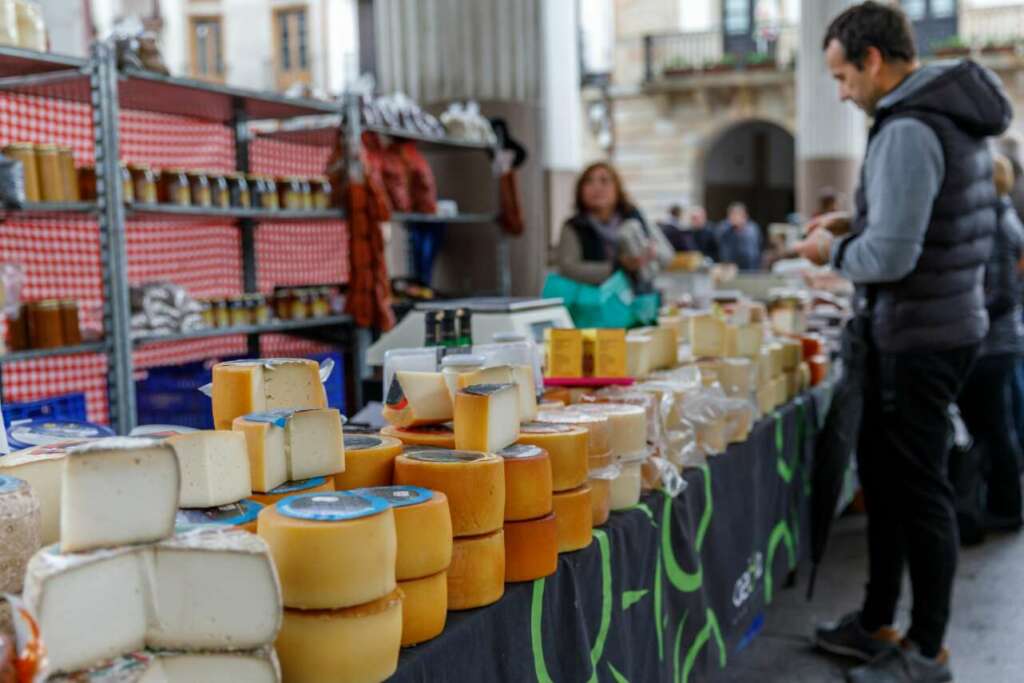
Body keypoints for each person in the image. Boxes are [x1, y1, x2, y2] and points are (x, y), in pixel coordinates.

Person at [794, 3, 1012, 682]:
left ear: (874, 61)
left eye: (842, 75)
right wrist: (859, 219)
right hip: (938, 327)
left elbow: (891, 256)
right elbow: (924, 218)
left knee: (917, 492)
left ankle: (926, 649)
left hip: (920, 337)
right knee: (887, 484)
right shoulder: (945, 116)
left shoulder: (910, 126)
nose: (841, 92)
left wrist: (832, 246)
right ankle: (878, 620)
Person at [955, 154, 1024, 535]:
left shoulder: (997, 225)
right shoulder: (1000, 218)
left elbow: (1002, 295)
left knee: (993, 429)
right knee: (995, 428)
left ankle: (1004, 506)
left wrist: (964, 310)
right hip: (996, 342)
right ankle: (999, 503)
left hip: (992, 344)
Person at [556, 162, 674, 293]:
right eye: (589, 181)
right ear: (580, 190)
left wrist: (651, 253)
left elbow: (667, 255)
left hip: (640, 299)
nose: (597, 187)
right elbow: (569, 269)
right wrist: (619, 267)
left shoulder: (635, 218)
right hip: (595, 303)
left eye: (604, 181)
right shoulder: (574, 226)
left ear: (617, 188)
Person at [715, 202, 762, 271]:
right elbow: (718, 238)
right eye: (732, 215)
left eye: (737, 215)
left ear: (744, 216)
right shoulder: (726, 228)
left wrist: (740, 228)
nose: (734, 217)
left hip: (749, 268)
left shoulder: (751, 229)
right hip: (729, 267)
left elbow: (750, 252)